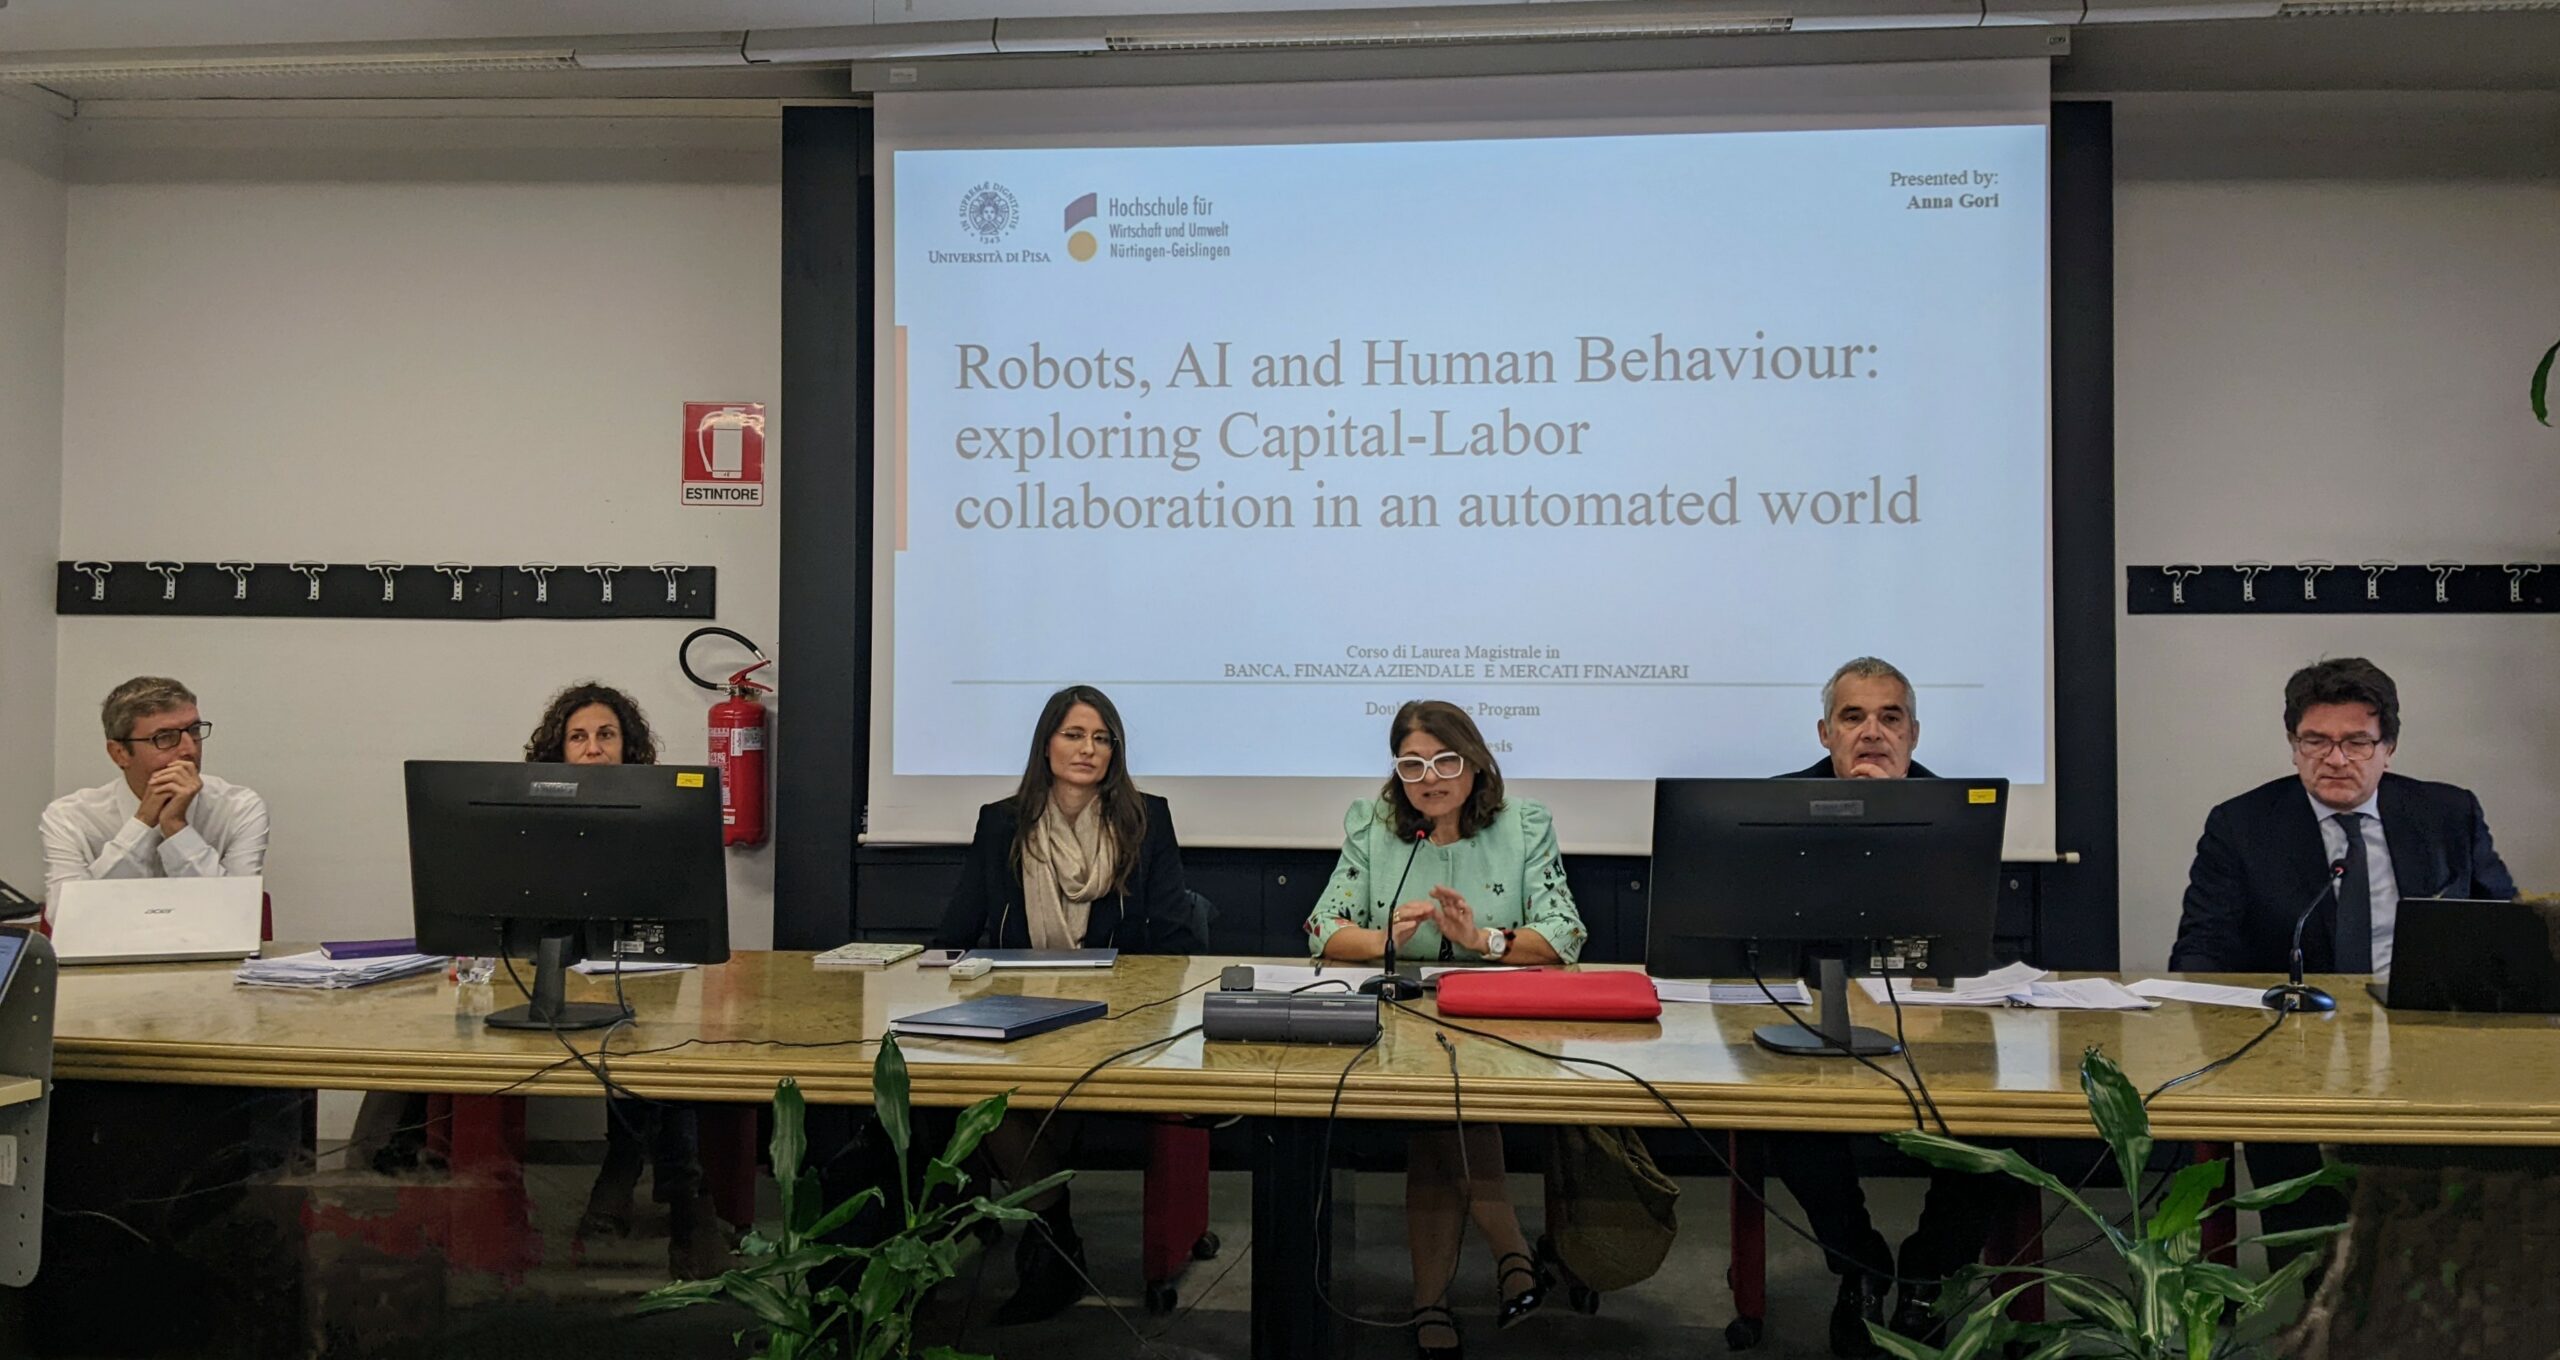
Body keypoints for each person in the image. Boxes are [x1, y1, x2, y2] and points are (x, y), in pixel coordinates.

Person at [2169, 657, 2515, 1253]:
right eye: (2315, 741)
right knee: (2308, 1236)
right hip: (2291, 1050)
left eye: (2356, 742)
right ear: (2293, 746)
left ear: (2388, 748)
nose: (2335, 759)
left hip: (2426, 1040)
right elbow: (2200, 950)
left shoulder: (2447, 814)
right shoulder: (2242, 825)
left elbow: (2504, 927)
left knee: (2439, 1236)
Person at [1309, 700, 1587, 1360]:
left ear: (1475, 762)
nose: (1429, 778)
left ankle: (1435, 1302)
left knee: (1444, 1118)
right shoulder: (1375, 826)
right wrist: (1382, 938)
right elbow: (1323, 928)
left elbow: (1564, 935)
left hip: (1496, 1023)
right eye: (1412, 765)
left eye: (1444, 761)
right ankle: (1509, 1258)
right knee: (1442, 1117)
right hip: (1402, 1022)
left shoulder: (1523, 825)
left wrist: (1482, 938)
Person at [934, 684, 1201, 1324]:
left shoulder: (1146, 818)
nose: (1088, 749)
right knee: (984, 1098)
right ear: (1047, 744)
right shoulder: (1002, 822)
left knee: (1031, 1101)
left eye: (1101, 738)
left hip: (1118, 1015)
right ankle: (1054, 1236)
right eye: (1074, 735)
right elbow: (959, 927)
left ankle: (1049, 1245)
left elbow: (1174, 938)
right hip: (1014, 1007)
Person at [1772, 657, 1994, 1358]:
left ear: (1913, 734)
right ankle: (1859, 1264)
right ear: (1825, 733)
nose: (1872, 733)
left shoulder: (1957, 813)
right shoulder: (1779, 807)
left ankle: (1930, 1272)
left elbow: (1960, 942)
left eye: (1890, 718)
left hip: (1930, 1025)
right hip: (1815, 1020)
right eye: (1853, 717)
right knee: (1780, 1116)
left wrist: (1890, 817)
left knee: (2002, 1124)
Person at [525, 682, 729, 1280]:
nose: (593, 748)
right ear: (560, 751)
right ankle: (682, 1187)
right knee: (633, 1033)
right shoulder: (535, 819)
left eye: (606, 735)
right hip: (569, 969)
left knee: (658, 1037)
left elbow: (685, 899)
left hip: (655, 968)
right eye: (578, 737)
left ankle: (632, 1171)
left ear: (627, 746)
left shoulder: (661, 811)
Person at [40, 676, 268, 921]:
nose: (189, 749)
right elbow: (66, 919)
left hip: (210, 945)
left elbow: (240, 914)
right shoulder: (70, 817)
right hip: (110, 946)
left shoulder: (238, 807)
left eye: (194, 731)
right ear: (119, 753)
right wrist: (142, 822)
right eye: (165, 737)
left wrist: (176, 828)